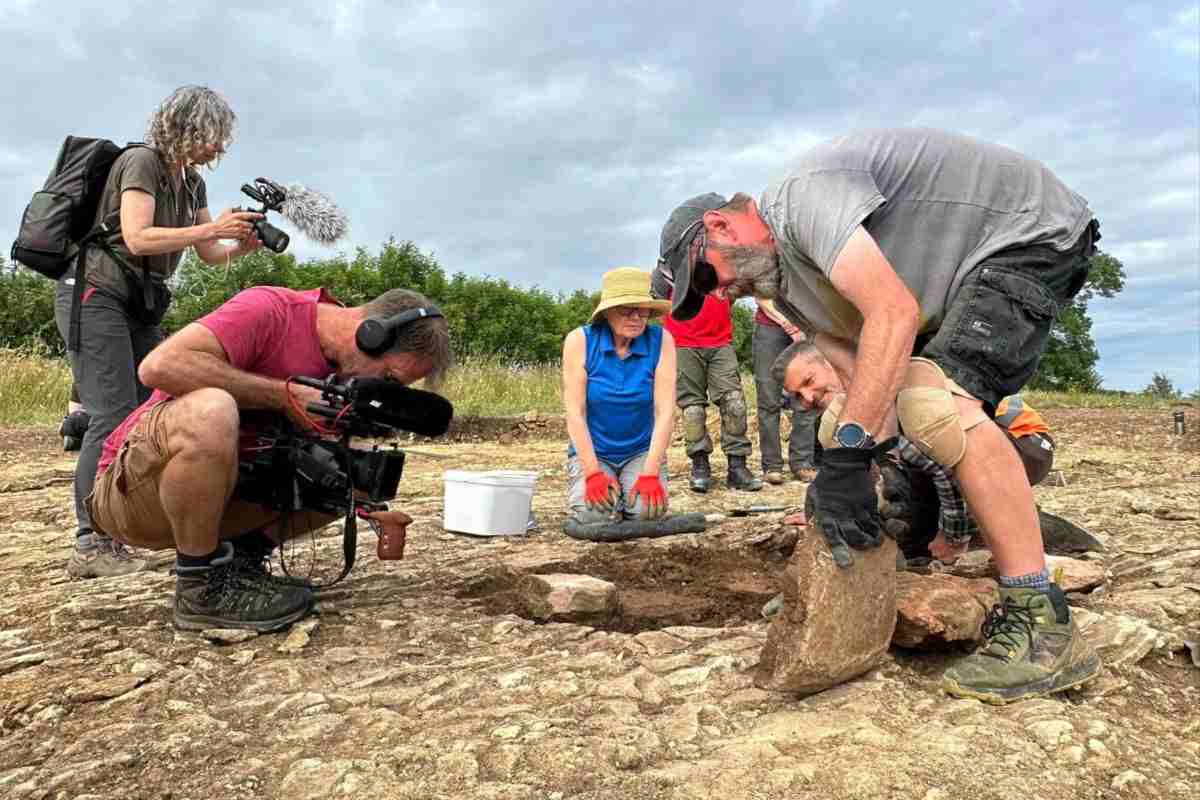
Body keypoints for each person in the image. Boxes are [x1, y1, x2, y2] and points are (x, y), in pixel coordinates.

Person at [654, 129, 1101, 704]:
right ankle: (873, 572)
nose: (720, 296)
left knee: (937, 405)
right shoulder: (788, 291)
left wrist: (848, 455)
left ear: (720, 226)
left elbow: (894, 312)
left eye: (708, 278)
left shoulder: (800, 198)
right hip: (961, 274)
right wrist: (835, 504)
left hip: (1029, 230)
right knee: (862, 416)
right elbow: (865, 391)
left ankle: (1042, 624)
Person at [86, 285, 451, 631]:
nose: (385, 387)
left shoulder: (341, 375)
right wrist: (284, 397)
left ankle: (238, 563)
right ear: (371, 334)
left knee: (359, 467)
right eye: (389, 376)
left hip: (215, 498)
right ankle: (200, 589)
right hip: (132, 494)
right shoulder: (270, 310)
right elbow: (158, 367)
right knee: (212, 410)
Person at [52, 86, 266, 579]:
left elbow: (212, 256)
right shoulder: (142, 162)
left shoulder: (192, 185)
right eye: (215, 136)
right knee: (112, 411)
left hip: (140, 301)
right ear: (190, 127)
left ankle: (141, 518)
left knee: (158, 401)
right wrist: (211, 231)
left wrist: (245, 244)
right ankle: (90, 542)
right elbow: (138, 237)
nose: (220, 148)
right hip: (95, 293)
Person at [774, 340, 1056, 561]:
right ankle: (971, 519)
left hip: (1023, 441)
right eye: (798, 395)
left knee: (913, 463)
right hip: (957, 450)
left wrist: (953, 537)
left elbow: (942, 465)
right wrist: (824, 512)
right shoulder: (839, 414)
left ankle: (1000, 519)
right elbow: (855, 475)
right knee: (907, 520)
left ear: (831, 362)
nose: (808, 398)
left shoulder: (878, 381)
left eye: (809, 381)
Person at [563, 268, 676, 523]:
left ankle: (629, 492)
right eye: (626, 309)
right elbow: (575, 412)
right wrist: (592, 472)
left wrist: (650, 473)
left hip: (640, 451)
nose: (636, 317)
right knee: (594, 515)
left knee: (648, 513)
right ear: (607, 312)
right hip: (597, 452)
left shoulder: (662, 341)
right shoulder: (580, 341)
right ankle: (605, 489)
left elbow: (665, 411)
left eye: (643, 309)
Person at [654, 232, 761, 493]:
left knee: (734, 402)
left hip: (720, 342)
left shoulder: (725, 261)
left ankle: (737, 465)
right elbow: (658, 303)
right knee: (692, 409)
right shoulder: (669, 264)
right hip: (684, 344)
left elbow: (740, 288)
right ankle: (700, 465)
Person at [752, 299, 819, 484]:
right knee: (768, 399)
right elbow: (760, 295)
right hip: (770, 327)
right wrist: (789, 325)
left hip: (807, 325)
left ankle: (802, 463)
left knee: (806, 397)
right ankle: (772, 466)